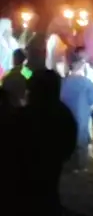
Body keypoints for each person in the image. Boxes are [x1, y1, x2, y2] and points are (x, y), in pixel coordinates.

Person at [10, 69, 77, 214]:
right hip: (51, 169)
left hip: (25, 175)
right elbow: (70, 144)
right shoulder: (63, 114)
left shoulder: (23, 115)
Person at [60, 49, 93, 171]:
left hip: (67, 118)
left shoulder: (63, 82)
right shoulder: (86, 82)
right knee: (82, 141)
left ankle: (70, 164)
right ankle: (81, 165)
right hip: (82, 119)